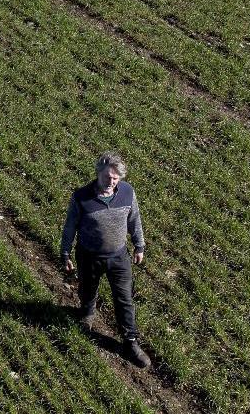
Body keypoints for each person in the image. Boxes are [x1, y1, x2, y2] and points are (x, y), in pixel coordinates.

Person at [61, 151, 151, 368]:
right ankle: (87, 312)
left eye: (115, 178)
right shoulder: (81, 197)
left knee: (124, 299)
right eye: (107, 177)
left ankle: (130, 342)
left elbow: (134, 219)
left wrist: (139, 245)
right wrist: (65, 252)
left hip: (119, 257)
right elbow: (70, 226)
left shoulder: (127, 193)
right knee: (87, 289)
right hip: (88, 255)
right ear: (97, 174)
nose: (111, 182)